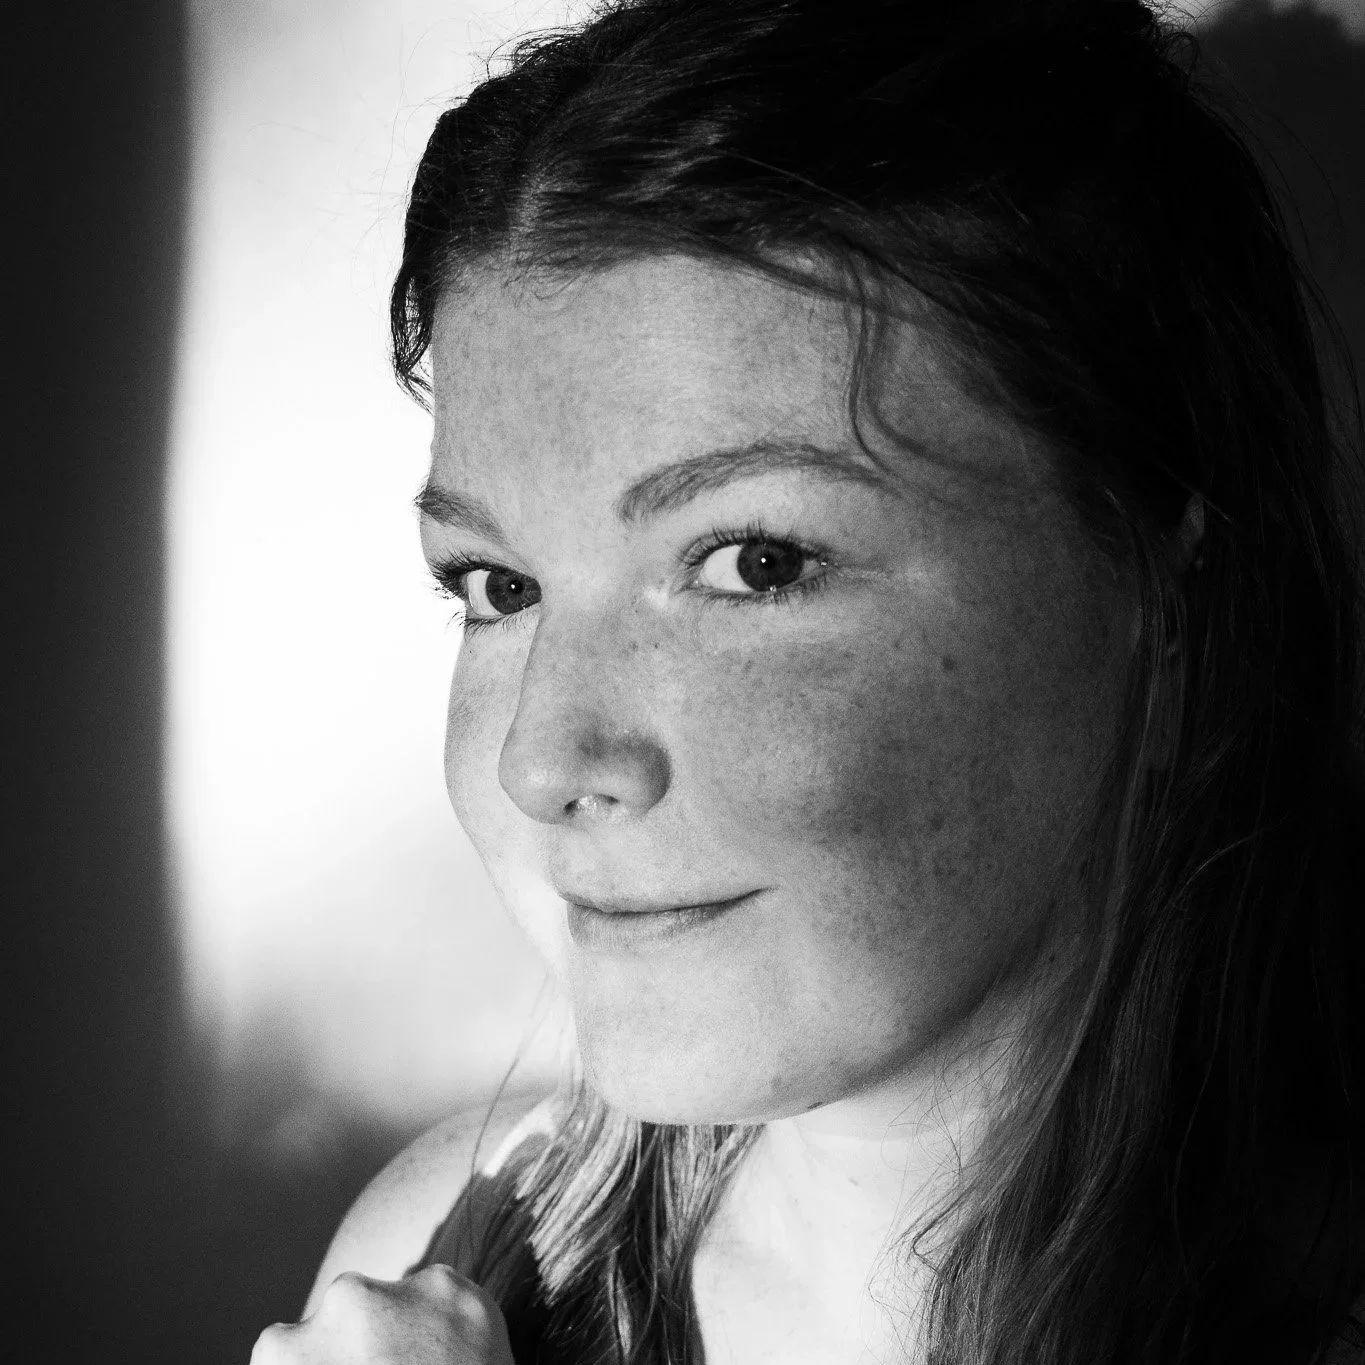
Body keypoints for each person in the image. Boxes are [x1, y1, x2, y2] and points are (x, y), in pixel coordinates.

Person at [250, 0, 1365, 1361]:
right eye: (500, 587)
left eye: (755, 563)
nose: (539, 760)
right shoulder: (433, 1263)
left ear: (1167, 601)